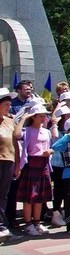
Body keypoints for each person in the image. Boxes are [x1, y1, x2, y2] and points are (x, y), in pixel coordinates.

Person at [16, 103, 56, 236]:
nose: (44, 119)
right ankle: (28, 224)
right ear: (33, 117)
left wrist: (49, 151)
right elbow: (16, 135)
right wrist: (23, 118)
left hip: (43, 164)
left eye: (45, 116)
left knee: (40, 197)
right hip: (31, 164)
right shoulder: (27, 130)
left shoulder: (46, 131)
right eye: (40, 116)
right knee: (29, 197)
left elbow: (51, 146)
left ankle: (37, 223)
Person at [0, 88, 20, 240]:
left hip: (9, 161)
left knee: (4, 195)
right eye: (6, 104)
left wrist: (18, 164)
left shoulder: (10, 120)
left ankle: (1, 225)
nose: (9, 107)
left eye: (9, 104)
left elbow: (15, 143)